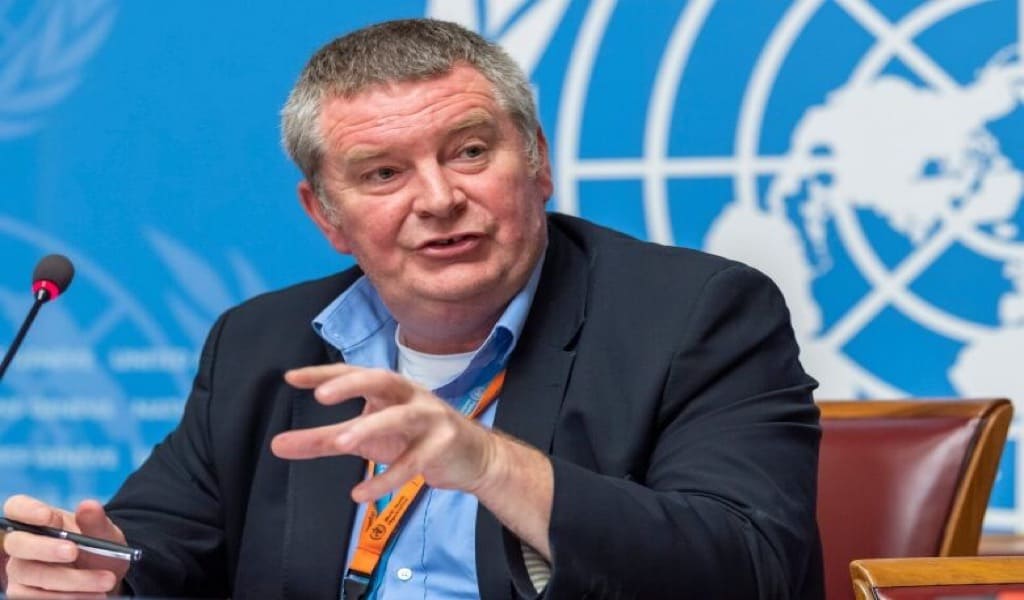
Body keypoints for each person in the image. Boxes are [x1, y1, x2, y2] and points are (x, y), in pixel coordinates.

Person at [1, 18, 823, 599]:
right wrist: (98, 575)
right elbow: (160, 553)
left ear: (537, 161)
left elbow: (752, 568)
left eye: (470, 152)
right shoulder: (263, 343)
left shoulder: (695, 316)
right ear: (326, 216)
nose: (437, 199)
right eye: (383, 174)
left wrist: (490, 463)